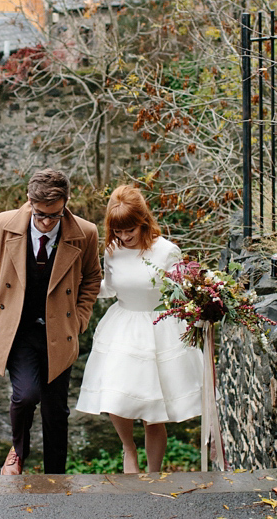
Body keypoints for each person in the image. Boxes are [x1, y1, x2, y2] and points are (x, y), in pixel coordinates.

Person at [0, 169, 102, 475]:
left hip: (59, 331)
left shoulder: (85, 233)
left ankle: (55, 477)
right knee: (25, 395)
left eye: (55, 215)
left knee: (56, 410)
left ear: (66, 204)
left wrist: (80, 319)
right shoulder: (4, 224)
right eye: (41, 214)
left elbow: (92, 279)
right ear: (29, 201)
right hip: (18, 330)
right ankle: (18, 452)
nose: (47, 222)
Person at [76, 185, 203, 473]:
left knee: (152, 412)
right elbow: (109, 287)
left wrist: (202, 305)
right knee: (116, 396)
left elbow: (181, 293)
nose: (124, 236)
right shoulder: (112, 251)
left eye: (130, 229)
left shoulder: (168, 251)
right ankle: (128, 448)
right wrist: (83, 285)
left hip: (159, 328)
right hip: (123, 326)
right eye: (118, 231)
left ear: (143, 220)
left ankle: (154, 473)